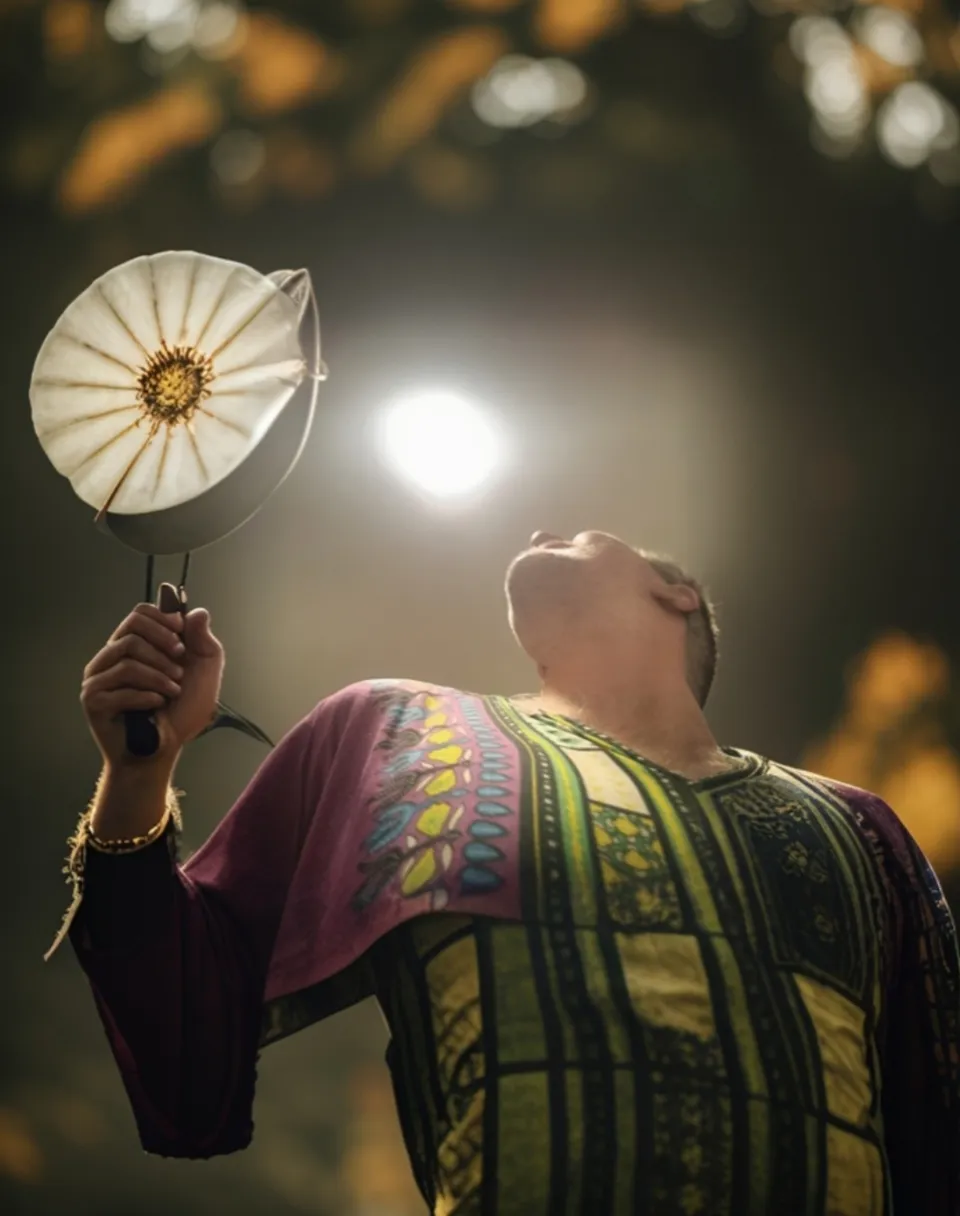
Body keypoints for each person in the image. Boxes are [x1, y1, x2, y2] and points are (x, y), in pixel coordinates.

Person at [50, 530, 959, 1215]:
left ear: (676, 591)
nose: (532, 532)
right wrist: (140, 772)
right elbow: (183, 1010)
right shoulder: (394, 732)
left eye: (582, 533)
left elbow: (933, 1127)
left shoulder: (857, 827)